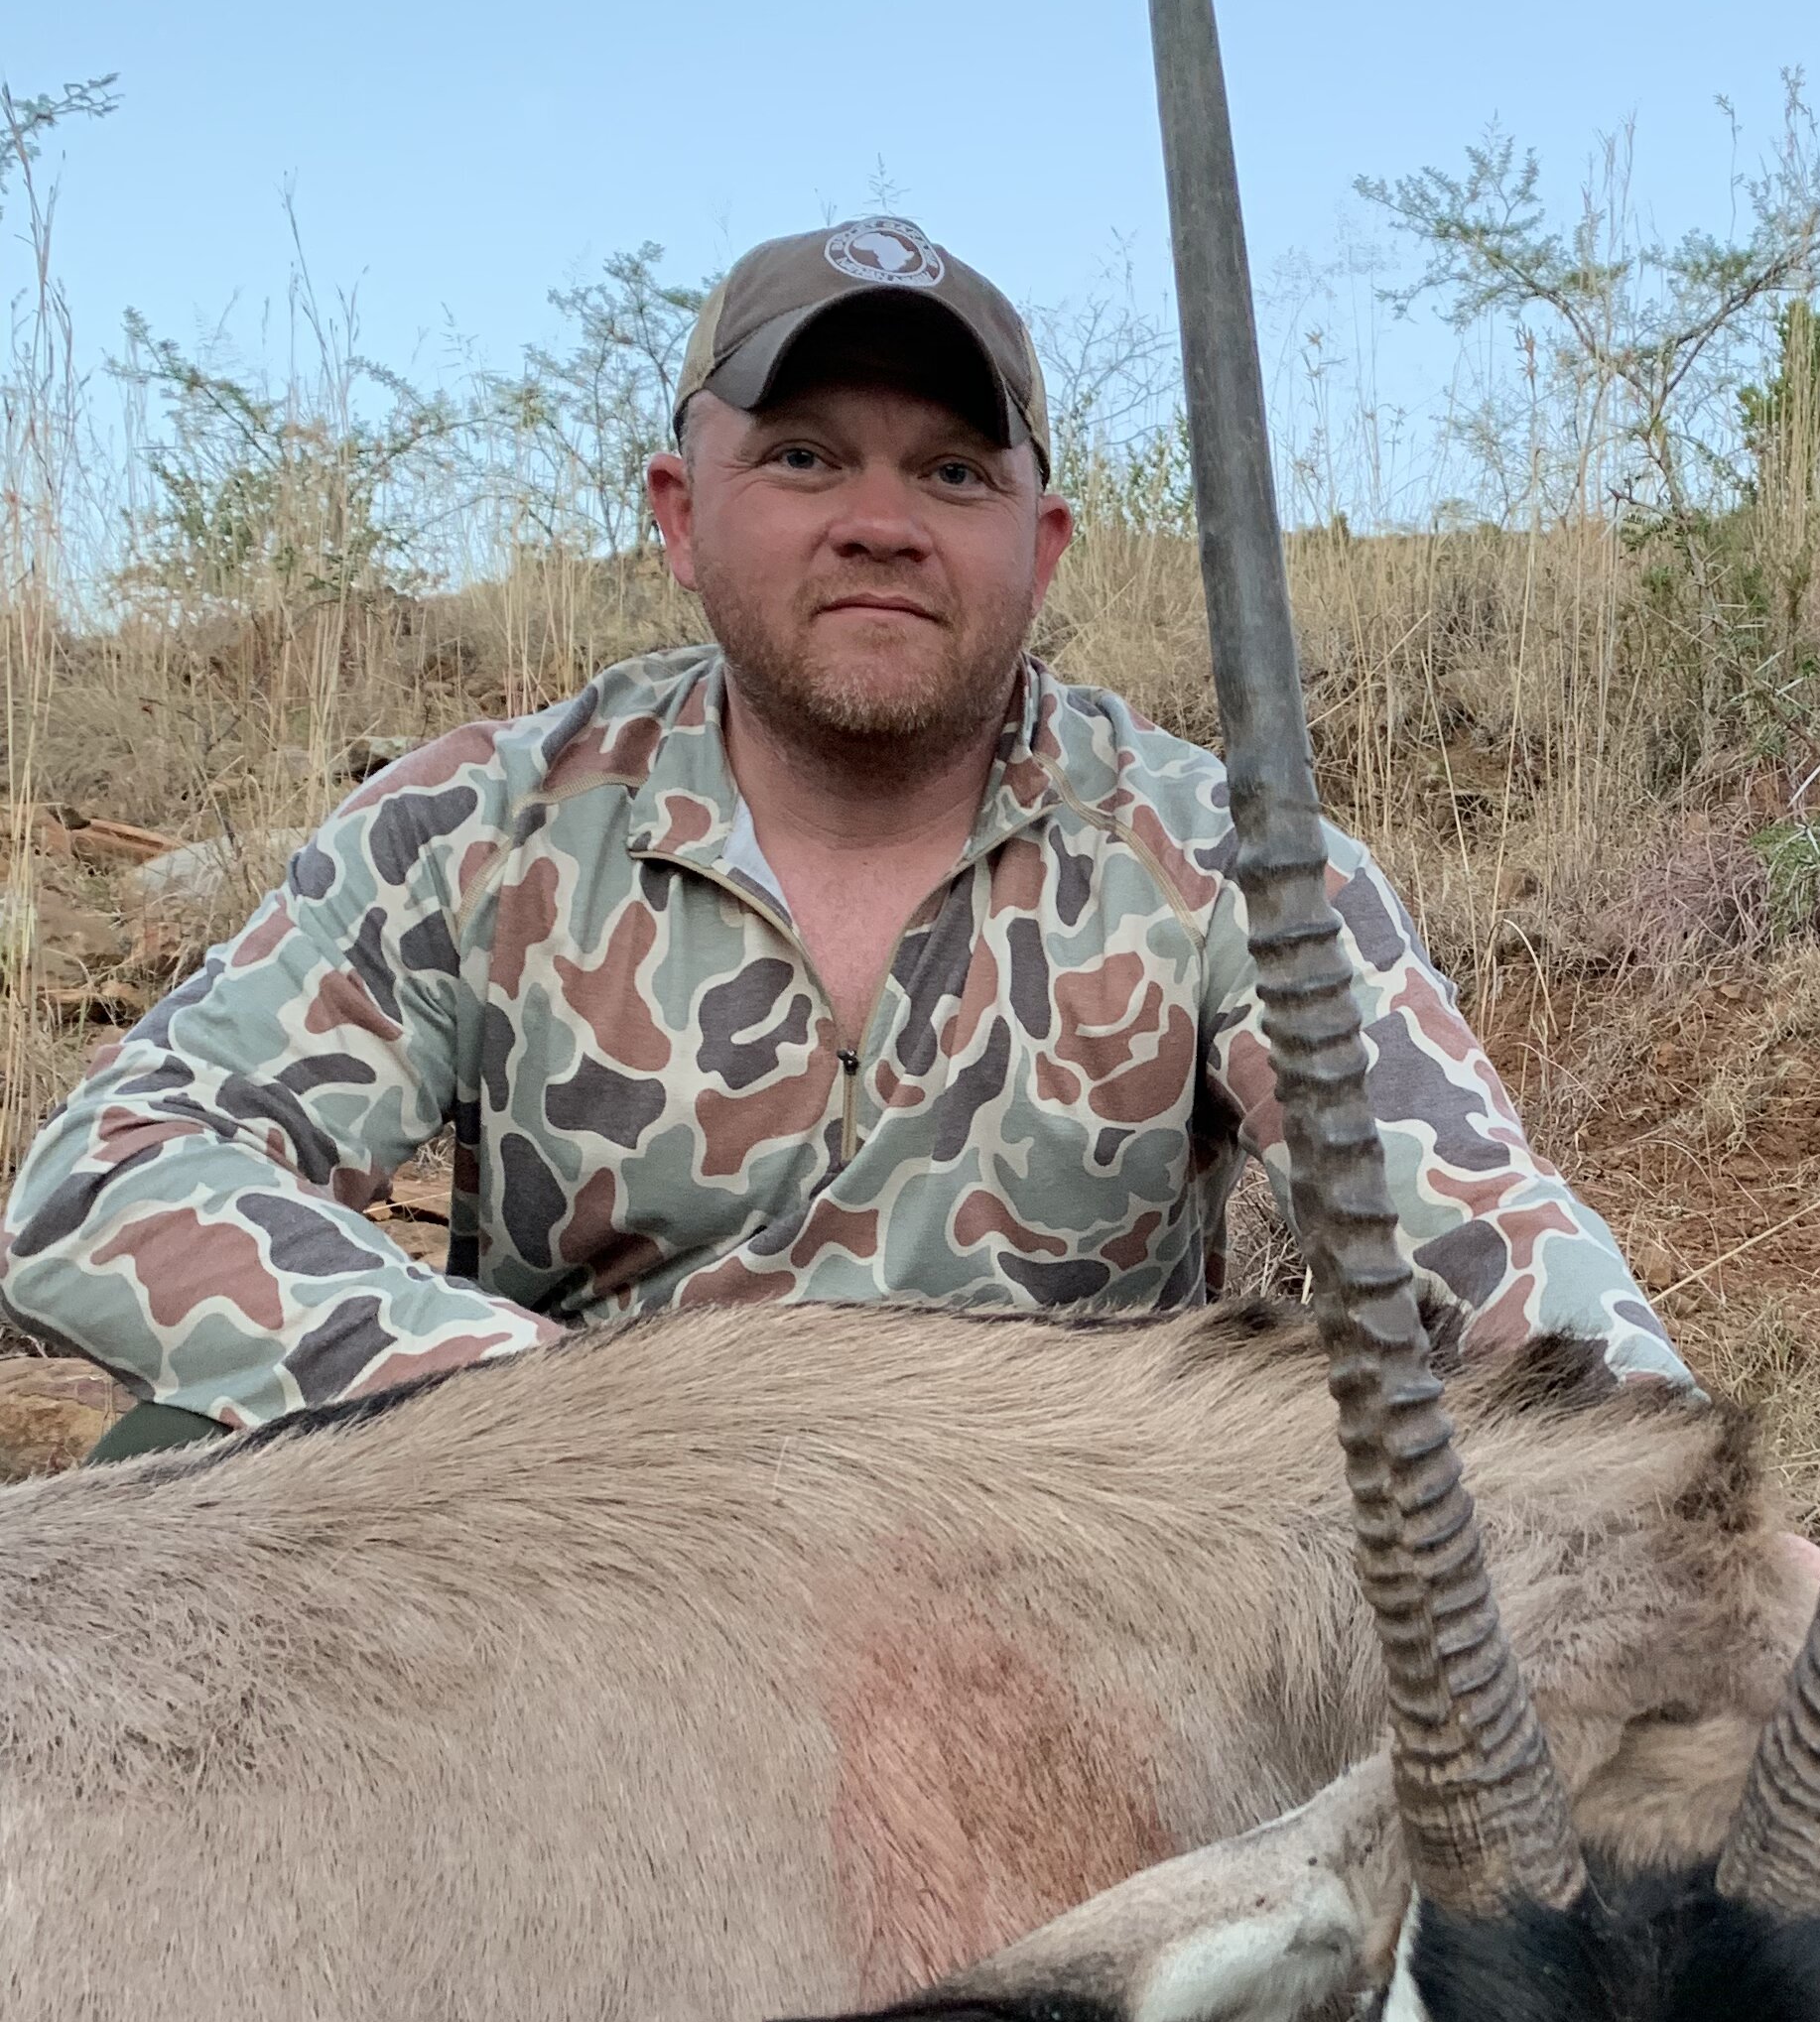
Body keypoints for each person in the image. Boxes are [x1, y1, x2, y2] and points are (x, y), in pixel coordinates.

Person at [0, 217, 1681, 1453]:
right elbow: (106, 1180)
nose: (880, 523)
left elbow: (1479, 1220)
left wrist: (1689, 1499)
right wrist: (544, 1412)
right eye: (805, 456)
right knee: (164, 1479)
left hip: (1066, 1579)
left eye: (954, 475)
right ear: (679, 512)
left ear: (1045, 540)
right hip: (569, 1555)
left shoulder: (1223, 852)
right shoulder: (481, 821)